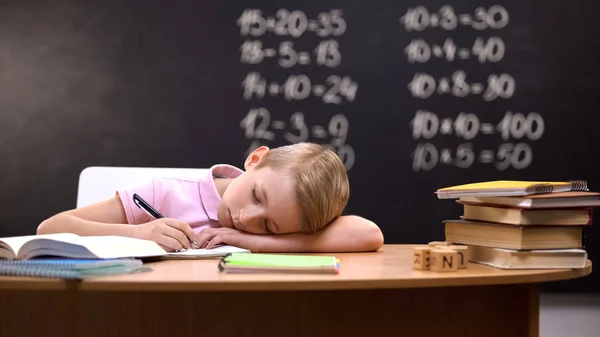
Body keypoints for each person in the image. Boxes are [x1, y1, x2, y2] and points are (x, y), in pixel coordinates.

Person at [37, 142, 384, 253]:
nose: (248, 218)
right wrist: (139, 233)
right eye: (256, 196)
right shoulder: (167, 192)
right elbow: (51, 227)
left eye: (268, 225)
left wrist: (250, 241)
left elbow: (369, 234)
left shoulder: (262, 231)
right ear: (254, 160)